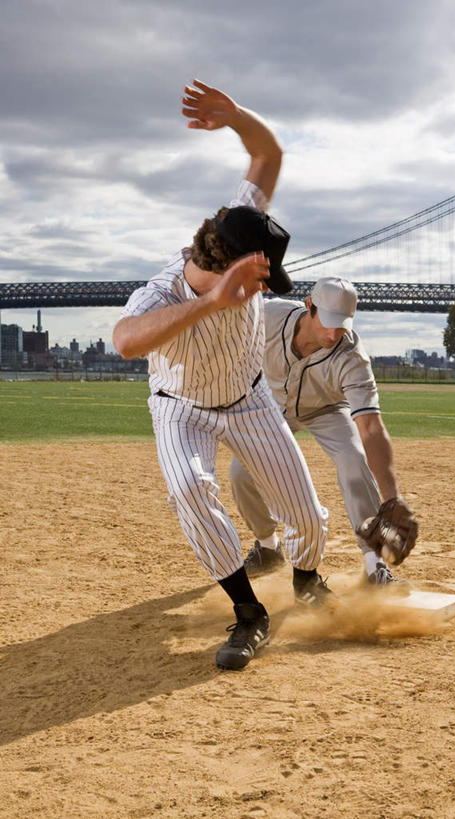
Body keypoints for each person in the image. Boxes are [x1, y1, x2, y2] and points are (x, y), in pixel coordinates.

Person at [113, 80, 329, 672]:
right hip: (180, 405)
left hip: (249, 399)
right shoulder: (160, 293)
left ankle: (308, 582)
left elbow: (268, 156)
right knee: (189, 490)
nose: (267, 289)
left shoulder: (243, 225)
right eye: (259, 280)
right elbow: (127, 341)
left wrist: (237, 117)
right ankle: (248, 612)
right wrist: (213, 304)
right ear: (226, 265)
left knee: (306, 515)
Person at [230, 276, 412, 587]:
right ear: (309, 306)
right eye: (327, 322)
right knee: (241, 473)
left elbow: (370, 427)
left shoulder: (352, 356)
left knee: (354, 459)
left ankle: (375, 566)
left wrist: (392, 500)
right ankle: (268, 547)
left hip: (327, 410)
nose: (332, 333)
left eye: (341, 325)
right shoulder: (267, 317)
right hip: (272, 408)